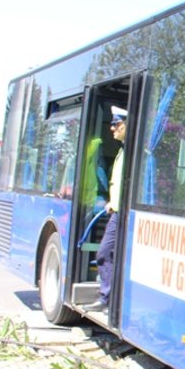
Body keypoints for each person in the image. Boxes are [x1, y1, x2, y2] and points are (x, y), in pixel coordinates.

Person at [84, 106, 128, 313]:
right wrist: (112, 202)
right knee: (105, 254)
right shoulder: (122, 151)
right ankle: (107, 298)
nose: (112, 128)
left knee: (105, 253)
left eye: (116, 124)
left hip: (124, 214)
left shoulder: (133, 153)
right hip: (117, 212)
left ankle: (108, 299)